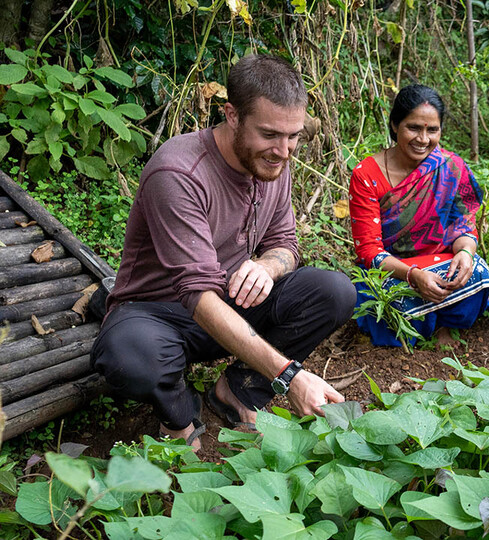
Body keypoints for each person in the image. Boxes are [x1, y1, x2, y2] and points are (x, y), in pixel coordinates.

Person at [90, 54, 356, 450]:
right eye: (269, 134)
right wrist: (289, 375)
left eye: (293, 136)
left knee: (334, 291)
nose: (283, 151)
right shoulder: (179, 173)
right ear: (231, 115)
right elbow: (196, 295)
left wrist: (267, 266)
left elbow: (286, 244)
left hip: (229, 301)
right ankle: (178, 416)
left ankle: (239, 390)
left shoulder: (273, 162)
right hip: (162, 312)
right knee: (130, 357)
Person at [348, 84, 489, 347]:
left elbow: (463, 226)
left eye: (432, 130)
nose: (423, 139)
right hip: (392, 271)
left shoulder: (451, 167)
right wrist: (413, 275)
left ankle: (445, 324)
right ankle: (425, 323)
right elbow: (369, 250)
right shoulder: (367, 174)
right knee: (378, 303)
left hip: (440, 264)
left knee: (476, 271)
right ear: (395, 125)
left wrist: (465, 253)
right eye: (413, 128)